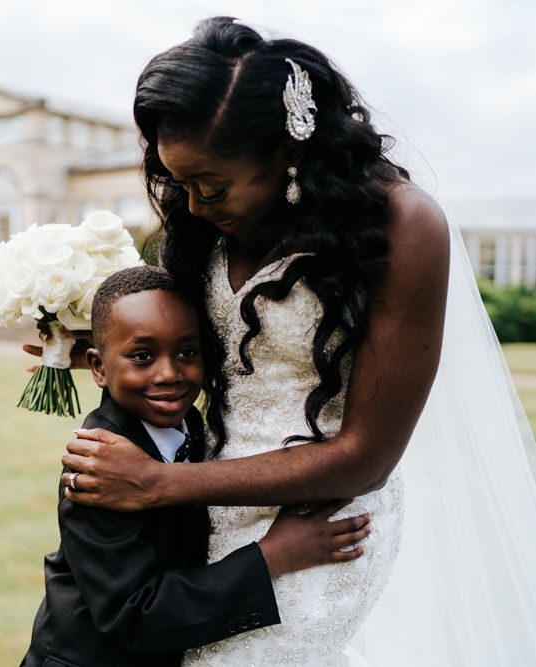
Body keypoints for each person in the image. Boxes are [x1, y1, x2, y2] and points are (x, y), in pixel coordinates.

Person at [51, 17, 536, 666]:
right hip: (203, 501)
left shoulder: (402, 226)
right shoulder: (210, 228)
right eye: (180, 184)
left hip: (317, 520)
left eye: (210, 186)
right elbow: (178, 332)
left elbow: (367, 455)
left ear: (284, 149)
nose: (191, 207)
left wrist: (157, 485)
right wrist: (83, 337)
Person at [20, 265, 370, 667]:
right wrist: (272, 556)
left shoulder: (192, 425)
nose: (169, 374)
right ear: (99, 367)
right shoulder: (95, 468)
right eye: (143, 356)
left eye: (187, 352)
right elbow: (136, 615)